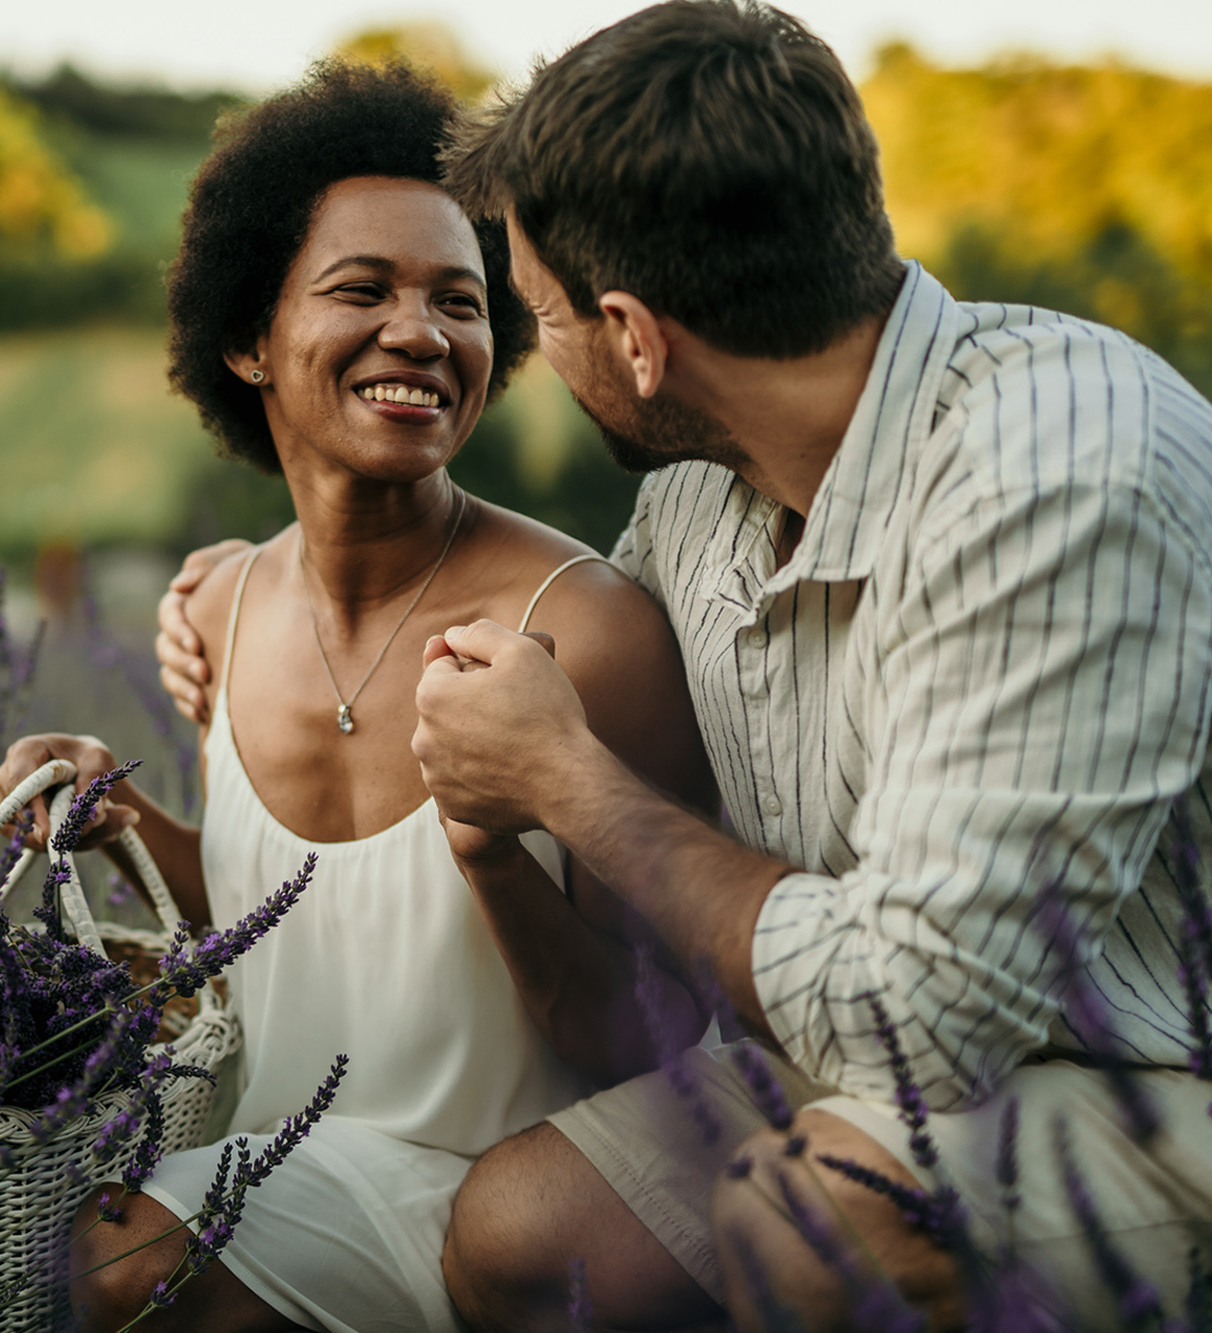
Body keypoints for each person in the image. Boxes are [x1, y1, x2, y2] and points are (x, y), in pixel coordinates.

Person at [166, 4, 1212, 1327]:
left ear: (637, 337)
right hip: (849, 1041)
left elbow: (927, 1024)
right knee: (516, 1236)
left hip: (1150, 1067)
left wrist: (565, 779)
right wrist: (247, 588)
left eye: (526, 308)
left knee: (823, 1219)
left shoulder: (1056, 475)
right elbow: (521, 644)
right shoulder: (702, 500)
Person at [0, 62, 716, 1333]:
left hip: (507, 1210)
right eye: (360, 289)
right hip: (277, 1158)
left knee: (115, 1271)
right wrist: (117, 822)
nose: (422, 332)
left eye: (458, 298)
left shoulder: (582, 631)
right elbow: (283, 924)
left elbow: (642, 1042)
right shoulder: (221, 608)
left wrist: (490, 855)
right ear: (245, 340)